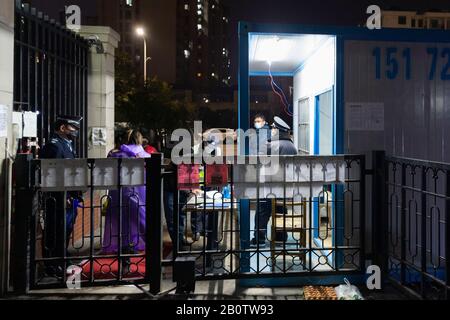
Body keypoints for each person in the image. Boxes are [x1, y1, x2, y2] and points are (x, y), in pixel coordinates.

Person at [39, 115, 83, 275]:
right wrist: (65, 197)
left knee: (65, 230)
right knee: (56, 230)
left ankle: (62, 257)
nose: (76, 131)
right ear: (63, 128)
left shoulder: (66, 144)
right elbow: (53, 175)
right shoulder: (55, 146)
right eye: (73, 127)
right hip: (59, 198)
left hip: (69, 197)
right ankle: (52, 264)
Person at [102, 130, 150, 269]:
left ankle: (125, 262)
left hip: (119, 195)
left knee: (123, 227)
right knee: (143, 224)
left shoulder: (114, 154)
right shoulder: (144, 155)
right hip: (139, 195)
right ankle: (153, 256)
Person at [251, 116, 298, 246]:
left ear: (277, 130)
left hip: (269, 186)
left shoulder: (270, 145)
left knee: (262, 212)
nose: (271, 129)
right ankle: (280, 237)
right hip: (286, 187)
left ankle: (259, 239)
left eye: (272, 128)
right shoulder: (292, 147)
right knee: (280, 211)